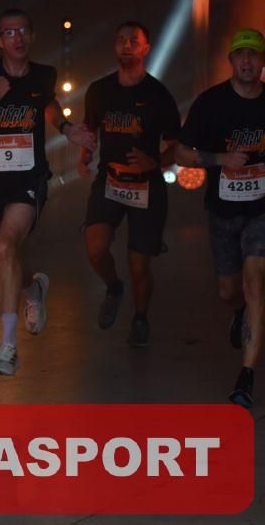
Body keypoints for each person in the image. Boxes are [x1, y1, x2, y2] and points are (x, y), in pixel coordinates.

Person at [0, 8, 96, 375]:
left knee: (6, 246)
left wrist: (67, 128)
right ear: (0, 41)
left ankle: (8, 348)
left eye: (23, 30)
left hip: (28, 179)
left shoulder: (43, 75)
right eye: (9, 32)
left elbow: (47, 101)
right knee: (3, 253)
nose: (18, 38)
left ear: (32, 35)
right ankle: (32, 290)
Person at [176, 27, 265, 408]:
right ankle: (240, 312)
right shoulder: (211, 103)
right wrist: (219, 159)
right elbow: (180, 153)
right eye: (240, 54)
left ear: (262, 62)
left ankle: (245, 377)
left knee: (255, 281)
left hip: (261, 210)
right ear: (231, 61)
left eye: (254, 55)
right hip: (223, 210)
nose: (247, 61)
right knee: (229, 291)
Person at [77, 22, 180, 346]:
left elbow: (177, 146)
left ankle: (140, 318)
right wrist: (84, 155)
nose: (126, 45)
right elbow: (90, 129)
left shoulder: (158, 95)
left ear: (146, 48)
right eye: (120, 40)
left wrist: (156, 161)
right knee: (95, 248)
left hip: (146, 186)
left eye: (133, 41)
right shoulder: (99, 91)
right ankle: (113, 287)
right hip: (110, 179)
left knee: (139, 266)